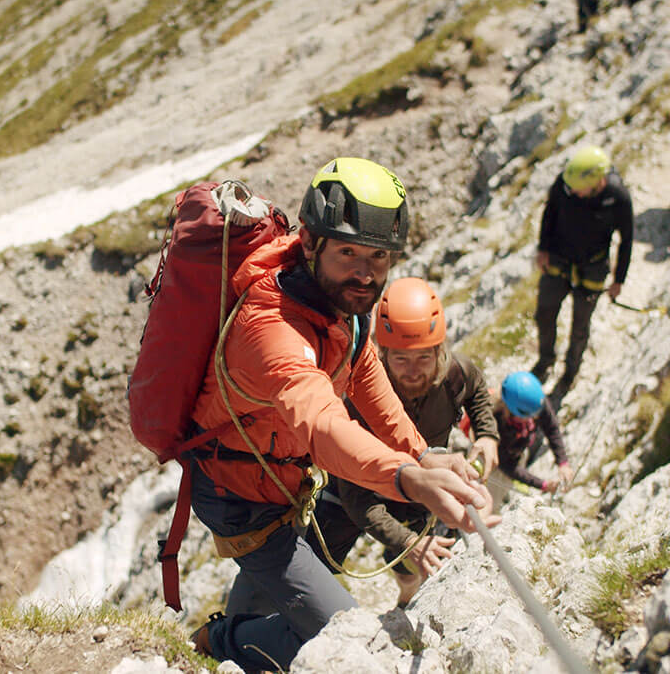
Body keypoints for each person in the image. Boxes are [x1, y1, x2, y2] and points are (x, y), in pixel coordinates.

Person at [186, 157, 497, 672]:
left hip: (275, 481)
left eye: (378, 256)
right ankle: (223, 644)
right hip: (238, 496)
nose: (364, 271)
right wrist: (407, 477)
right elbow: (322, 424)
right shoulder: (271, 328)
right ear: (310, 243)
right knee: (341, 643)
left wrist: (424, 452)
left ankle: (232, 635)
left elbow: (368, 379)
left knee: (276, 578)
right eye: (348, 251)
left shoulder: (340, 307)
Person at [299, 277, 500, 608]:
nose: (412, 371)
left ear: (439, 351)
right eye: (401, 359)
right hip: (356, 484)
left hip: (422, 479)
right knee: (314, 565)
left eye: (423, 358)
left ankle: (406, 594)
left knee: (417, 558)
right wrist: (408, 541)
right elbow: (356, 498)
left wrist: (487, 435)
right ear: (382, 354)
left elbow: (477, 391)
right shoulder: (359, 400)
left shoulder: (454, 374)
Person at [531, 145, 633, 407]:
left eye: (579, 189)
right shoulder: (565, 184)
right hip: (558, 259)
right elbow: (550, 211)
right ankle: (545, 360)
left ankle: (570, 372)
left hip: (592, 267)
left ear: (598, 182)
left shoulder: (618, 197)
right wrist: (543, 248)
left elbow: (626, 239)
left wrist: (619, 279)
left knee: (580, 326)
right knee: (545, 313)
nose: (573, 192)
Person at [493, 371, 573, 499]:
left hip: (517, 449)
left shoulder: (534, 403)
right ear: (513, 411)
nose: (535, 418)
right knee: (490, 501)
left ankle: (516, 483)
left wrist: (562, 462)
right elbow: (506, 465)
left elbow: (551, 427)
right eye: (529, 416)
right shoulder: (496, 425)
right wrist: (542, 485)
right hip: (494, 462)